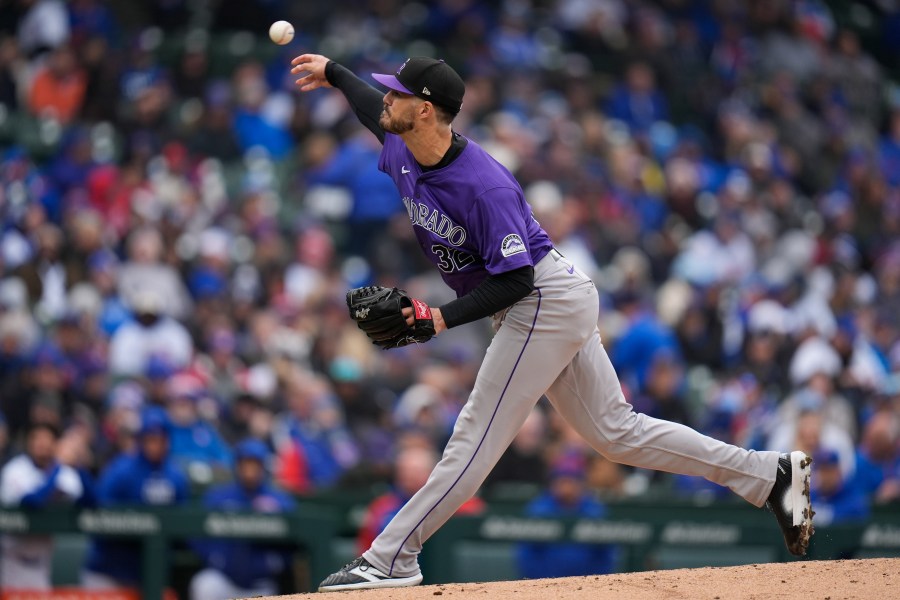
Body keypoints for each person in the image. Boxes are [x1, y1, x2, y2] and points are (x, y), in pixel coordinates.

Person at [290, 53, 813, 592]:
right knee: (617, 434)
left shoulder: (483, 185)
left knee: (474, 437)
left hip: (541, 298)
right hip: (544, 299)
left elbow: (516, 281)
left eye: (397, 94)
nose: (386, 99)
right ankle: (768, 474)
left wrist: (437, 320)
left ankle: (391, 557)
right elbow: (364, 108)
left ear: (425, 110)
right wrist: (333, 73)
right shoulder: (401, 144)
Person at [82, 407, 189, 589]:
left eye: (160, 440)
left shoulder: (175, 476)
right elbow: (99, 514)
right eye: (150, 439)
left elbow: (182, 522)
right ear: (141, 440)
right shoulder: (120, 470)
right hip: (109, 569)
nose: (155, 445)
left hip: (151, 574)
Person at [189, 439, 295, 600]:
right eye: (246, 464)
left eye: (255, 464)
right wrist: (214, 556)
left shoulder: (279, 501)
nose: (250, 470)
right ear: (237, 465)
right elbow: (195, 531)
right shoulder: (218, 497)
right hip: (223, 579)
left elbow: (295, 538)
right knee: (204, 584)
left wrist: (276, 561)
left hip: (261, 584)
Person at [0, 422, 92, 590]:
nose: (42, 443)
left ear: (55, 444)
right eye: (37, 438)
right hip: (12, 564)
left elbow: (90, 502)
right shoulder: (15, 470)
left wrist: (78, 464)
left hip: (43, 566)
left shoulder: (62, 470)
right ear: (28, 442)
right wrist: (58, 466)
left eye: (47, 439)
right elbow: (32, 502)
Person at [357, 444, 484, 555]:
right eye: (404, 470)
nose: (409, 476)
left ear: (432, 472)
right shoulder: (382, 506)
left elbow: (476, 515)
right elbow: (365, 549)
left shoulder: (455, 502)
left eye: (416, 471)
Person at [516, 453, 617, 579]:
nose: (567, 486)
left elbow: (606, 556)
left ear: (581, 483)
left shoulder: (595, 511)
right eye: (562, 480)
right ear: (553, 482)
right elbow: (526, 556)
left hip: (588, 586)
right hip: (546, 586)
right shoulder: (538, 510)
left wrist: (593, 582)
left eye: (572, 480)